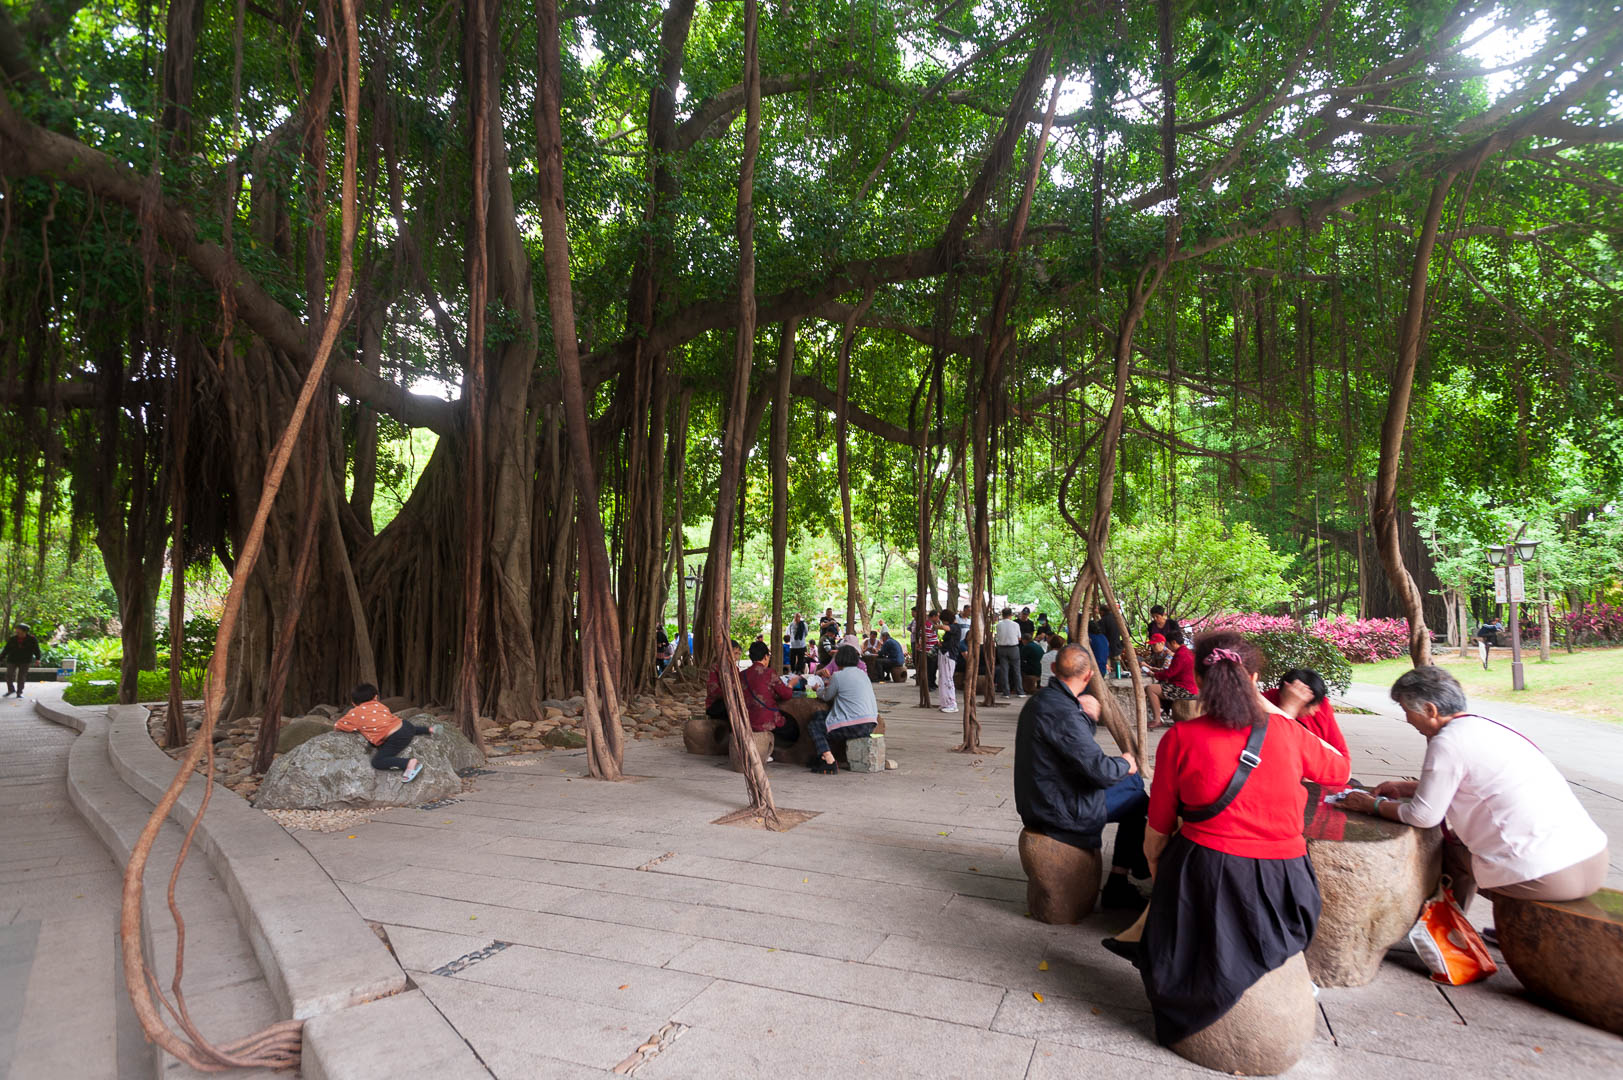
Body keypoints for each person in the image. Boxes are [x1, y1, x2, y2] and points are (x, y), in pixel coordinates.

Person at [1132, 632, 1351, 1047]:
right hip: (1287, 881)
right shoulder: (1289, 733)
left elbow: (1157, 828)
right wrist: (1278, 711)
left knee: (1168, 914)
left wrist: (1162, 877)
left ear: (1200, 680)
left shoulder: (1181, 738)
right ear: (1253, 678)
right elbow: (1340, 770)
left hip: (1206, 871)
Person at [1339, 666, 1608, 909]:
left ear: (1431, 710)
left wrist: (1372, 805)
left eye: (1405, 710)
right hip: (1593, 861)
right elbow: (1479, 782)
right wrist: (1407, 788)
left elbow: (1423, 816)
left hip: (1543, 875)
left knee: (1449, 855)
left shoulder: (1448, 742)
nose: (1407, 719)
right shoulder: (1488, 727)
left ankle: (1448, 936)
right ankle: (1502, 926)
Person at [1015, 644, 1148, 909]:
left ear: (1053, 669)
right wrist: (1124, 763)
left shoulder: (1043, 701)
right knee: (1138, 796)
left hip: (1044, 796)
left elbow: (1071, 748)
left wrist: (1084, 716)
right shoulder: (1063, 712)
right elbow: (1099, 771)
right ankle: (1123, 879)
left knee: (1134, 788)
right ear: (1088, 677)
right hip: (1059, 808)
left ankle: (1126, 877)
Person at [335, 683, 439, 782]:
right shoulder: (381, 706)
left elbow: (338, 725)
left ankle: (408, 763)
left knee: (378, 762)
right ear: (375, 697)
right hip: (405, 725)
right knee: (405, 728)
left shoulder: (354, 713)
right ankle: (429, 730)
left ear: (353, 703)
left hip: (397, 737)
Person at [808, 645, 879, 774]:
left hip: (851, 726)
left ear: (838, 660)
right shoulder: (863, 675)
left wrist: (817, 689)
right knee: (820, 716)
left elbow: (826, 696)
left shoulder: (838, 676)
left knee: (815, 725)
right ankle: (824, 756)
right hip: (870, 724)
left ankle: (829, 760)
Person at [1262, 668, 1349, 759]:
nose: (1313, 712)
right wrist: (1288, 710)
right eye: (1309, 706)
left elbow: (1343, 756)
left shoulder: (1322, 707)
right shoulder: (1264, 703)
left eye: (1316, 705)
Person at [741, 641, 800, 748]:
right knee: (793, 728)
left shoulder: (742, 675)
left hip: (746, 719)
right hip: (766, 721)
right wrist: (791, 684)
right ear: (766, 657)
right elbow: (786, 695)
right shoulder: (769, 673)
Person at [1143, 633, 1196, 726]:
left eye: (1168, 644)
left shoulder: (1180, 654)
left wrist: (1154, 674)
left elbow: (1170, 673)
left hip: (1184, 688)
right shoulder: (1186, 652)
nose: (1167, 647)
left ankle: (1157, 719)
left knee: (1150, 689)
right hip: (1187, 685)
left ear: (1174, 642)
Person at [3, 623, 41, 698]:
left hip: (25, 660)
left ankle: (19, 692)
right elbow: (6, 649)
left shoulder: (32, 639)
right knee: (9, 675)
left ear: (24, 631)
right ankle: (11, 690)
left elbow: (36, 650)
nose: (17, 630)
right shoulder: (13, 639)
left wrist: (38, 659)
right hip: (12, 659)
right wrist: (1, 657)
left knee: (22, 676)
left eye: (18, 629)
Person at [994, 608, 1024, 698]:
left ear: (1002, 615)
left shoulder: (998, 625)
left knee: (1004, 670)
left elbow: (997, 637)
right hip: (1013, 648)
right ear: (1011, 615)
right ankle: (1020, 692)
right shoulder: (1016, 624)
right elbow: (1019, 638)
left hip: (1002, 648)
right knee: (1017, 670)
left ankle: (1006, 692)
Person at [936, 610, 961, 713]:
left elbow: (946, 628)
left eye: (944, 620)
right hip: (944, 654)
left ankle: (951, 703)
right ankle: (945, 702)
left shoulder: (955, 627)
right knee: (943, 679)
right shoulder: (951, 628)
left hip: (949, 656)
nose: (943, 623)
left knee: (948, 680)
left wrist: (937, 626)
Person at [916, 608, 939, 689]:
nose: (938, 619)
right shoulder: (927, 625)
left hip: (932, 649)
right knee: (930, 668)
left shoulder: (931, 625)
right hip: (928, 650)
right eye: (937, 617)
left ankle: (932, 683)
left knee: (933, 667)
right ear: (933, 616)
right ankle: (929, 684)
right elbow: (924, 638)